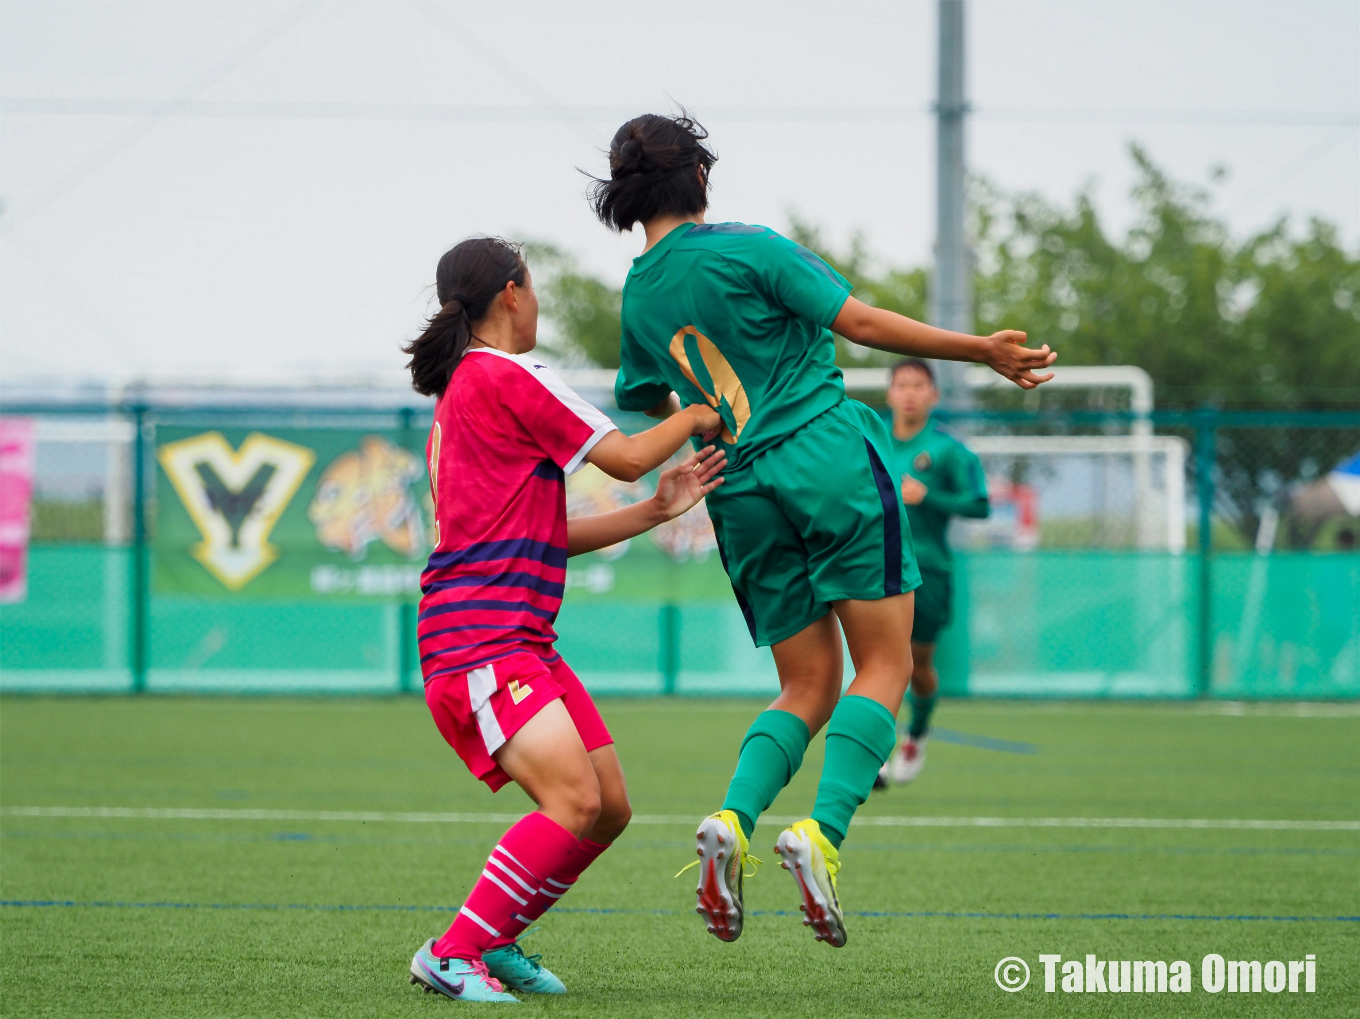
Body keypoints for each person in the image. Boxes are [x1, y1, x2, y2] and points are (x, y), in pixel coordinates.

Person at [587, 113, 1055, 948]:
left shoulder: (640, 292)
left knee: (805, 684)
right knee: (887, 664)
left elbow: (644, 393)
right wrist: (979, 349)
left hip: (738, 486)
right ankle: (822, 834)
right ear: (698, 176)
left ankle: (734, 818)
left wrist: (702, 416)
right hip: (823, 456)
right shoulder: (748, 247)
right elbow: (860, 323)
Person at [402, 236, 725, 1002]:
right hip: (480, 637)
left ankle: (493, 938)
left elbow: (546, 532)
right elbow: (627, 456)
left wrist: (656, 510)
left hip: (514, 638)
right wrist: (702, 410)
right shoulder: (505, 373)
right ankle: (453, 951)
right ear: (512, 293)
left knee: (607, 807)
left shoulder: (467, 390)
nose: (538, 301)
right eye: (534, 286)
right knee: (574, 800)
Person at [875, 359, 989, 787]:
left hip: (928, 571)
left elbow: (979, 504)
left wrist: (928, 496)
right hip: (875, 565)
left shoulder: (948, 450)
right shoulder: (869, 439)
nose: (909, 393)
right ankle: (875, 751)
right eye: (902, 385)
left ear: (934, 395)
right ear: (889, 393)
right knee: (880, 661)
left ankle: (917, 733)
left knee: (917, 665)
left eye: (918, 385)